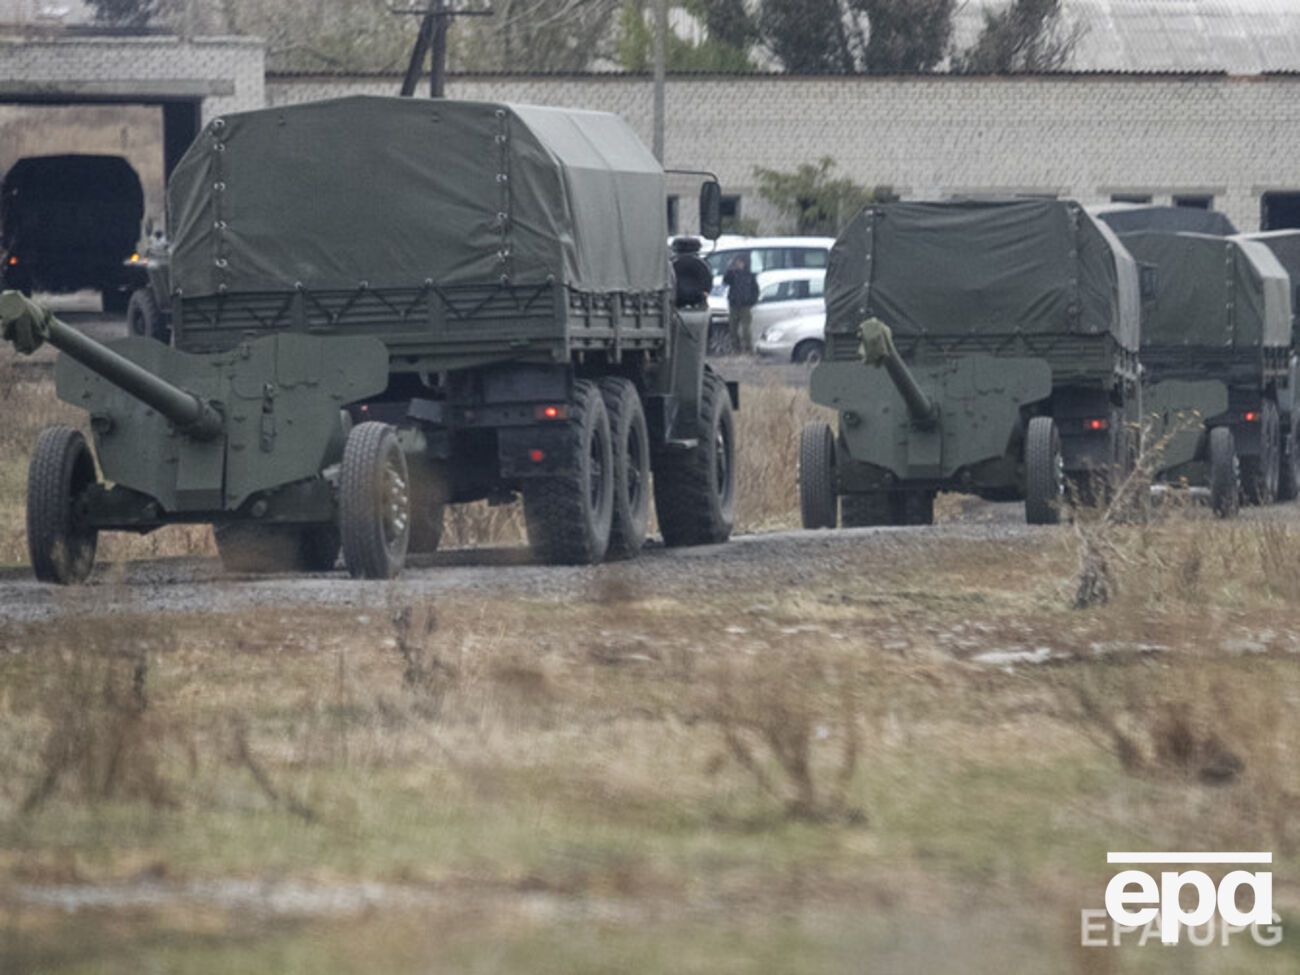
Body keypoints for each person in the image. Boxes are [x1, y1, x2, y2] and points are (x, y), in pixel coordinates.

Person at [722, 255, 758, 354]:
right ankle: (736, 349)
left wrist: (751, 301)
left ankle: (748, 349)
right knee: (733, 329)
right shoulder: (732, 274)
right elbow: (725, 281)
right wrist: (729, 270)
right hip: (734, 305)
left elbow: (755, 290)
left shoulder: (749, 275)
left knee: (746, 329)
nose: (739, 264)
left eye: (740, 262)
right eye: (737, 262)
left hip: (745, 306)